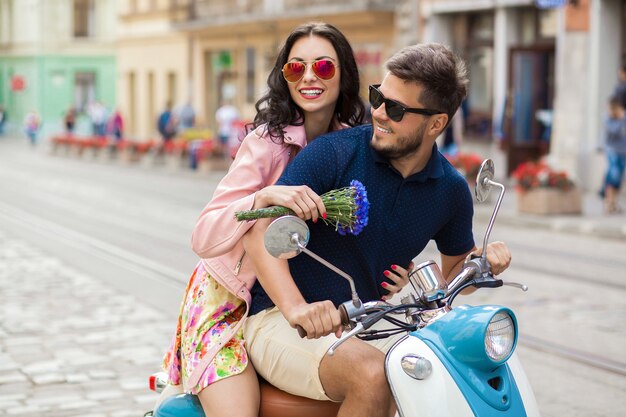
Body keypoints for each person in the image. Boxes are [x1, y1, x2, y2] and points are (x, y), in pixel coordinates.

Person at [242, 43, 512, 417]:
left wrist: (481, 261)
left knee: (437, 373)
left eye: (396, 109)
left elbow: (453, 275)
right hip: (280, 321)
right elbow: (261, 233)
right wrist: (296, 308)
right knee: (373, 375)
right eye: (378, 97)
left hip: (366, 325)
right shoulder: (334, 154)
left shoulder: (450, 191)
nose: (380, 113)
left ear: (436, 124)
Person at [157, 22, 410, 417]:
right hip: (230, 304)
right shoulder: (266, 143)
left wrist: (397, 271)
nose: (309, 77)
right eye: (296, 68)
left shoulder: (352, 145)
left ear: (344, 73)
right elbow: (203, 235)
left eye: (323, 67)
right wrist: (264, 195)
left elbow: (366, 229)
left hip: (305, 306)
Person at [601, 96, 626, 214]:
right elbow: (614, 130)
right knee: (613, 174)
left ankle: (613, 202)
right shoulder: (607, 119)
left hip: (623, 151)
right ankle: (609, 201)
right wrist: (621, 120)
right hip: (612, 151)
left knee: (619, 177)